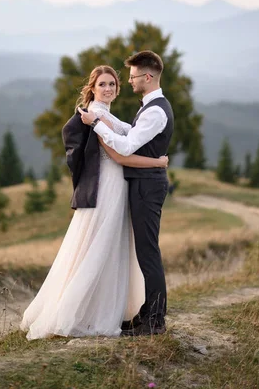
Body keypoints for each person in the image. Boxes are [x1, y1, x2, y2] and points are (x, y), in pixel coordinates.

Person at [20, 65, 169, 339]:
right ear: (92, 88)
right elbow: (121, 155)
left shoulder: (104, 115)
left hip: (115, 186)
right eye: (102, 84)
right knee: (100, 245)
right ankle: (87, 313)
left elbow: (127, 131)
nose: (108, 89)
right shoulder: (96, 116)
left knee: (106, 246)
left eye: (112, 84)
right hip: (108, 189)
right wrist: (157, 162)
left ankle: (102, 309)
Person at [79, 51, 174, 336]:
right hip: (143, 182)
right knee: (145, 251)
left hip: (147, 186)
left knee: (148, 253)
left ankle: (155, 320)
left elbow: (125, 147)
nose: (128, 83)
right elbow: (128, 133)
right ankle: (148, 313)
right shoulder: (150, 107)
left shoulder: (156, 111)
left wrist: (96, 124)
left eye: (131, 77)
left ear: (147, 77)